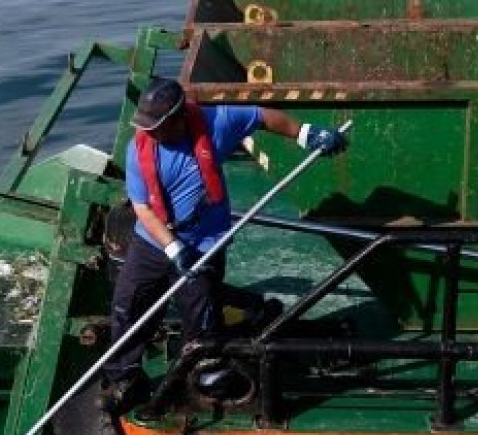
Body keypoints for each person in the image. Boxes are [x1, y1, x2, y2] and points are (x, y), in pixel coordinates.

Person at [99, 76, 348, 402]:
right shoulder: (138, 149)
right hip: (153, 240)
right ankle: (124, 377)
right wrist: (174, 248)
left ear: (178, 117)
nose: (150, 132)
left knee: (201, 313)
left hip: (203, 241)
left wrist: (305, 133)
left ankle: (197, 374)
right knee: (128, 304)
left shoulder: (218, 121)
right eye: (146, 126)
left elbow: (262, 117)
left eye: (157, 126)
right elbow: (142, 208)